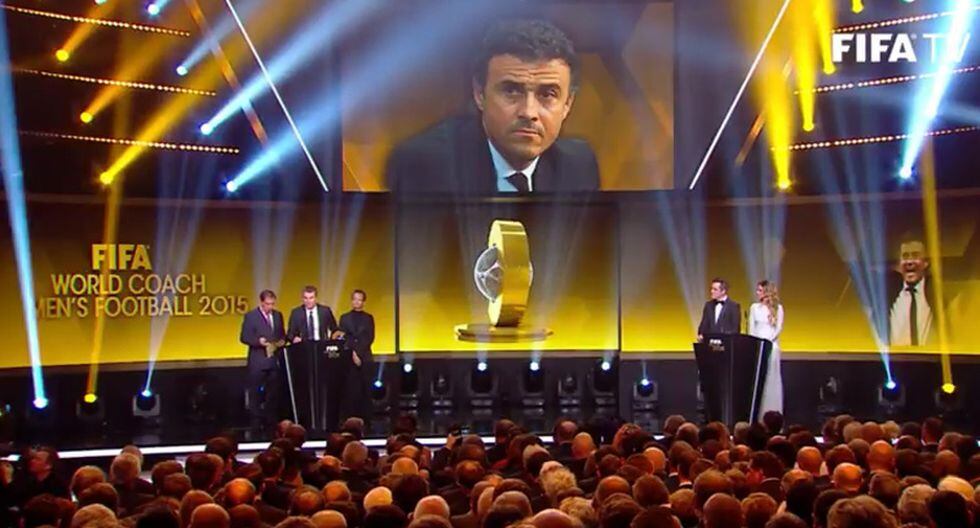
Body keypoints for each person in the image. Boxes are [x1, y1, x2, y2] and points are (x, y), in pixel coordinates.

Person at [387, 19, 599, 195]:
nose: (528, 112)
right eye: (511, 91)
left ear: (567, 104)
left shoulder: (577, 166)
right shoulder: (424, 165)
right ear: (480, 94)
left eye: (547, 94)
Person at [239, 290, 287, 430]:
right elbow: (244, 337)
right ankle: (255, 422)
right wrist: (258, 341)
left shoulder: (277, 315)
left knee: (273, 392)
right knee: (255, 393)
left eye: (272, 304)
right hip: (258, 361)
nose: (270, 307)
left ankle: (270, 420)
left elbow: (281, 334)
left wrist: (281, 341)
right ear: (261, 302)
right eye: (267, 304)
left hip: (273, 360)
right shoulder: (251, 316)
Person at [887, 238, 940, 347]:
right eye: (905, 256)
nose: (909, 262)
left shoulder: (937, 296)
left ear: (925, 263)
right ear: (898, 265)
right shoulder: (888, 300)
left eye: (915, 255)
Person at [336, 289, 376, 419]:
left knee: (366, 390)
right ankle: (350, 419)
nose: (357, 302)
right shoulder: (344, 318)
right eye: (355, 299)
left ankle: (367, 419)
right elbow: (344, 338)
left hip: (365, 358)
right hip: (349, 358)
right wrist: (353, 354)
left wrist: (359, 353)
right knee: (351, 390)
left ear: (363, 302)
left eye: (360, 299)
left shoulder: (368, 318)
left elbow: (369, 338)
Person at [748, 280, 784, 415]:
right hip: (758, 346)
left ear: (766, 292)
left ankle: (772, 410)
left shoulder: (778, 308)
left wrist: (768, 342)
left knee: (771, 378)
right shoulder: (754, 308)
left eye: (759, 290)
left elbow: (778, 328)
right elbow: (752, 328)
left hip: (771, 346)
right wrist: (755, 344)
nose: (757, 293)